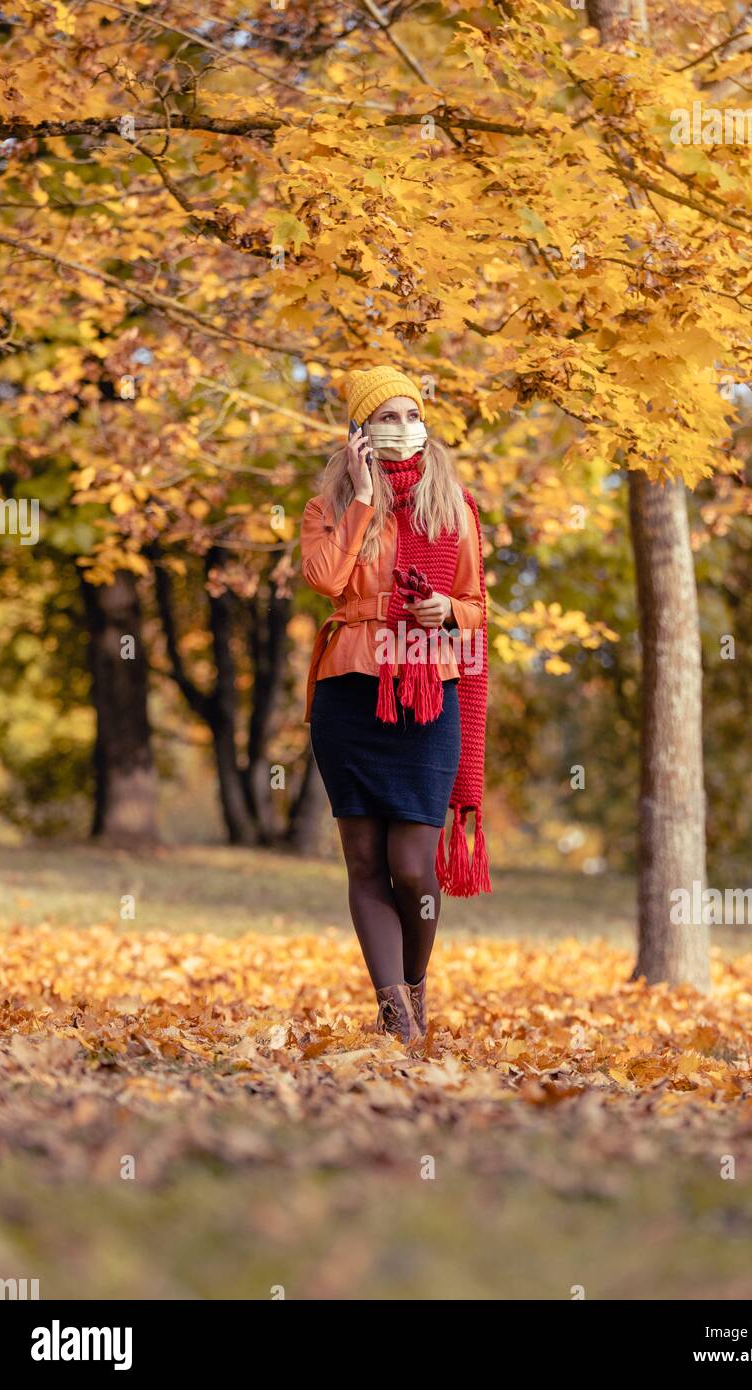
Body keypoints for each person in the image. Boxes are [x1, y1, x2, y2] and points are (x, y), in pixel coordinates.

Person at [300, 365, 491, 1044]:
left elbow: (475, 606)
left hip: (428, 693)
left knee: (413, 867)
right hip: (349, 692)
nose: (402, 427)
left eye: (411, 415)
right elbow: (325, 579)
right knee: (364, 863)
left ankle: (414, 988)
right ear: (359, 431)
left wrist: (449, 613)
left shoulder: (453, 504)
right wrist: (357, 498)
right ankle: (397, 1017)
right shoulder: (327, 506)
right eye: (386, 416)